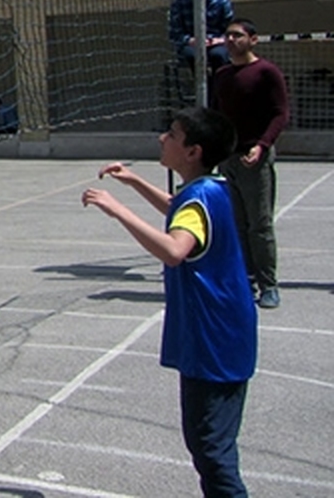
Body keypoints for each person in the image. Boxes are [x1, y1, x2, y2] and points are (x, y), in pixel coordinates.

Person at [82, 107, 256, 497]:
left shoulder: (201, 198)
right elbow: (178, 211)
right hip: (215, 332)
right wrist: (135, 183)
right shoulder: (207, 189)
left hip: (217, 338)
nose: (162, 138)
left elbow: (175, 249)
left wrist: (119, 210)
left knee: (213, 450)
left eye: (173, 135)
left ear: (193, 151)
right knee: (206, 445)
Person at [212, 18, 290, 310]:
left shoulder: (266, 72)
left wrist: (261, 145)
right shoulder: (222, 75)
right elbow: (216, 115)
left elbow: (280, 113)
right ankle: (245, 280)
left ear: (253, 40)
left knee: (260, 225)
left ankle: (269, 285)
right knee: (238, 224)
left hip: (254, 158)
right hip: (229, 158)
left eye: (238, 36)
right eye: (228, 36)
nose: (232, 41)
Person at [169, 0, 235, 74]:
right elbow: (174, 32)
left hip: (216, 43)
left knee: (218, 56)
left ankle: (218, 86)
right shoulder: (179, 3)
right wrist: (190, 40)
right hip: (191, 45)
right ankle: (202, 89)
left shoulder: (222, 1)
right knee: (191, 56)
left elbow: (229, 28)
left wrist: (218, 40)